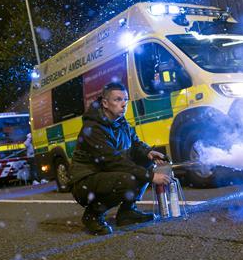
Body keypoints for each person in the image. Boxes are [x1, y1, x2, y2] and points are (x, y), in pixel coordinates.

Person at [69, 82, 171, 235]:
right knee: (128, 179)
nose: (124, 104)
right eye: (117, 100)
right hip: (86, 181)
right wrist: (151, 176)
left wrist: (148, 152)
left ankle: (127, 212)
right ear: (105, 103)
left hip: (107, 174)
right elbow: (114, 162)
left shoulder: (121, 122)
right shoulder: (92, 129)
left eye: (126, 99)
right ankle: (93, 215)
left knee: (145, 161)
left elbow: (135, 143)